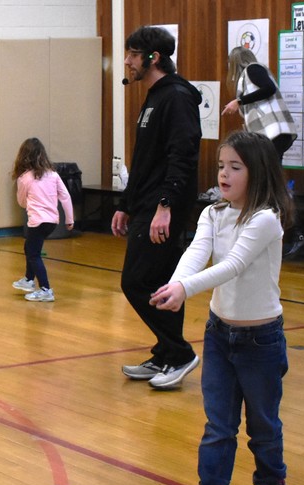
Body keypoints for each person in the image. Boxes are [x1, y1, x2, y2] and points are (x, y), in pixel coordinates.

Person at [150, 131, 301, 485]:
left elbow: (233, 265)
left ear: (258, 172)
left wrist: (186, 288)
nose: (224, 173)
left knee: (264, 424)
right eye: (221, 166)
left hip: (262, 340)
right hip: (220, 336)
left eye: (235, 167)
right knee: (219, 424)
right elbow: (196, 252)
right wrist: (176, 285)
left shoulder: (265, 219)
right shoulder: (213, 214)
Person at [112, 26, 202, 390]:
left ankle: (180, 353)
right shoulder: (153, 97)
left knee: (135, 281)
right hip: (147, 204)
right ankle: (166, 354)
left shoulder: (177, 97)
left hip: (164, 206)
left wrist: (165, 205)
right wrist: (124, 204)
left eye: (133, 54)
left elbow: (183, 155)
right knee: (161, 282)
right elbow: (145, 160)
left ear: (154, 58)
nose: (127, 61)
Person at [222, 46, 304, 258]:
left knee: (270, 184)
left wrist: (239, 101)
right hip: (271, 136)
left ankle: (292, 233)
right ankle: (286, 232)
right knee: (270, 183)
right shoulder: (250, 76)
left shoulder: (252, 70)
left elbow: (268, 89)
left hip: (275, 134)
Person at [10, 137, 74, 302]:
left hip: (37, 221)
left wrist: (29, 203)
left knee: (34, 254)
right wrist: (70, 218)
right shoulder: (53, 174)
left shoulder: (24, 178)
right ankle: (28, 279)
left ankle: (45, 289)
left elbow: (21, 201)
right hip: (52, 222)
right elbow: (65, 196)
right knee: (30, 248)